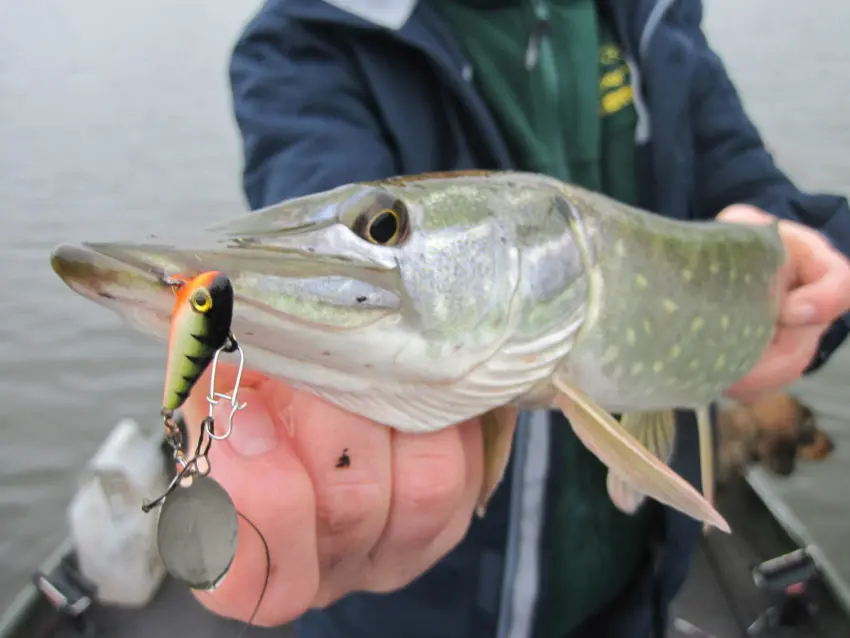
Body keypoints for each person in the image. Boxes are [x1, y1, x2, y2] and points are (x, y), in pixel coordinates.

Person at [181, 1, 850, 637]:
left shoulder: (647, 15)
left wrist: (806, 271)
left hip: (636, 591)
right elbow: (325, 210)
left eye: (385, 230)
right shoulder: (310, 40)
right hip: (421, 611)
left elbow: (744, 182)